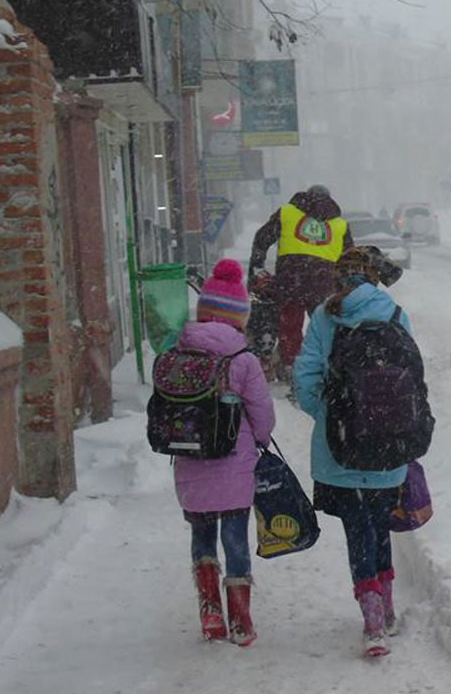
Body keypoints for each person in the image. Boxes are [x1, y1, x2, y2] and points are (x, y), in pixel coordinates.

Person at [291, 246, 409, 658]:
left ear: (338, 278)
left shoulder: (325, 315)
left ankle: (373, 619)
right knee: (379, 524)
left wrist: (327, 414)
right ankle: (388, 605)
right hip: (389, 445)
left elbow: (304, 376)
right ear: (373, 277)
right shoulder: (394, 313)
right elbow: (414, 375)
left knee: (357, 529)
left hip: (340, 446)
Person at [173, 259, 276, 646]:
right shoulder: (243, 360)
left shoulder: (181, 352)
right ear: (239, 317)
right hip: (234, 466)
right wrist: (260, 440)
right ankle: (241, 621)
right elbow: (262, 415)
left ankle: (210, 613)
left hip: (191, 460)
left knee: (202, 535)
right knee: (235, 539)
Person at [248, 186, 354, 377]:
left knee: (290, 325)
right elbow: (349, 258)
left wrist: (256, 268)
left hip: (290, 279)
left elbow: (262, 239)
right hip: (324, 282)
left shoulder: (288, 213)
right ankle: (325, 364)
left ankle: (291, 364)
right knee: (325, 326)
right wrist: (345, 286)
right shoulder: (340, 225)